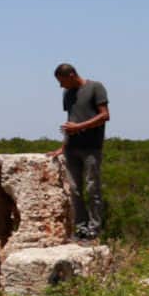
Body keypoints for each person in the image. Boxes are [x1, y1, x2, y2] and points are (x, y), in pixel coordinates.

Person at [45, 63, 109, 244]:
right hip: (72, 148)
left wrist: (80, 127)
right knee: (74, 190)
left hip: (91, 148)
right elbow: (70, 120)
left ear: (72, 75)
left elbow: (105, 115)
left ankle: (94, 231)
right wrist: (63, 147)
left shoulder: (95, 87)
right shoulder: (68, 94)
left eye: (62, 81)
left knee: (92, 189)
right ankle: (80, 230)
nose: (60, 86)